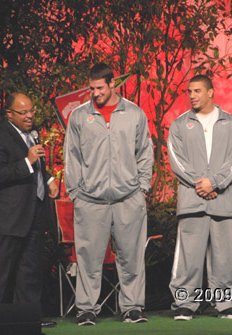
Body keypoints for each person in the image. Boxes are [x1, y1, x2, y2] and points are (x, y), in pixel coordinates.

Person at [64, 63, 153, 326]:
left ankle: (133, 307)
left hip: (129, 198)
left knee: (131, 257)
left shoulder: (134, 113)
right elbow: (72, 157)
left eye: (100, 88)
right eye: (91, 88)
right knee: (89, 258)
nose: (95, 93)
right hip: (90, 201)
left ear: (113, 84)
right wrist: (76, 194)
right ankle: (87, 309)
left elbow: (145, 153)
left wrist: (142, 188)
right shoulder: (80, 116)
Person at [168, 75, 232, 321]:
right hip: (192, 200)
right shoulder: (180, 124)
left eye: (197, 91)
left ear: (211, 92)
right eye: (189, 91)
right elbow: (177, 161)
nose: (192, 95)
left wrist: (215, 183)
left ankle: (227, 304)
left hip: (222, 201)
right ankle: (184, 304)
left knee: (223, 257)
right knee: (188, 259)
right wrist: (201, 183)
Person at [0, 92, 59, 325]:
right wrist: (27, 162)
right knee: (3, 270)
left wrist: (47, 179)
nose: (29, 116)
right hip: (10, 214)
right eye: (23, 112)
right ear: (9, 114)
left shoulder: (31, 136)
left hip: (34, 211)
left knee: (30, 269)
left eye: (32, 111)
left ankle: (28, 319)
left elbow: (37, 166)